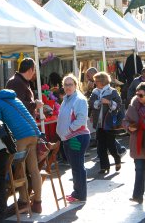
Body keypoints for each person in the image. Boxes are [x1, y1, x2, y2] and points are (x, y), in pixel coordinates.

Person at [0, 88, 43, 213]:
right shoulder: (15, 98)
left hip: (20, 137)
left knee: (21, 170)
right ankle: (37, 203)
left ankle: (23, 201)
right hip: (34, 134)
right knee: (34, 170)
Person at [56, 74, 90, 203]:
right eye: (65, 84)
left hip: (76, 137)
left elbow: (81, 120)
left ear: (76, 85)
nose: (68, 87)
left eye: (70, 84)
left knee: (77, 166)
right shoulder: (67, 99)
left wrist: (68, 130)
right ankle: (77, 193)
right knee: (75, 166)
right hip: (69, 137)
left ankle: (80, 195)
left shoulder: (79, 100)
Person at [89, 71, 122, 174]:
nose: (95, 83)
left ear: (102, 81)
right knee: (100, 147)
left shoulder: (112, 91)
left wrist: (108, 102)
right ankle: (104, 167)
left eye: (96, 81)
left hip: (109, 123)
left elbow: (119, 105)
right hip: (99, 124)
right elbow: (90, 103)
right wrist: (98, 103)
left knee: (111, 146)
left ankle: (117, 158)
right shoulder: (95, 91)